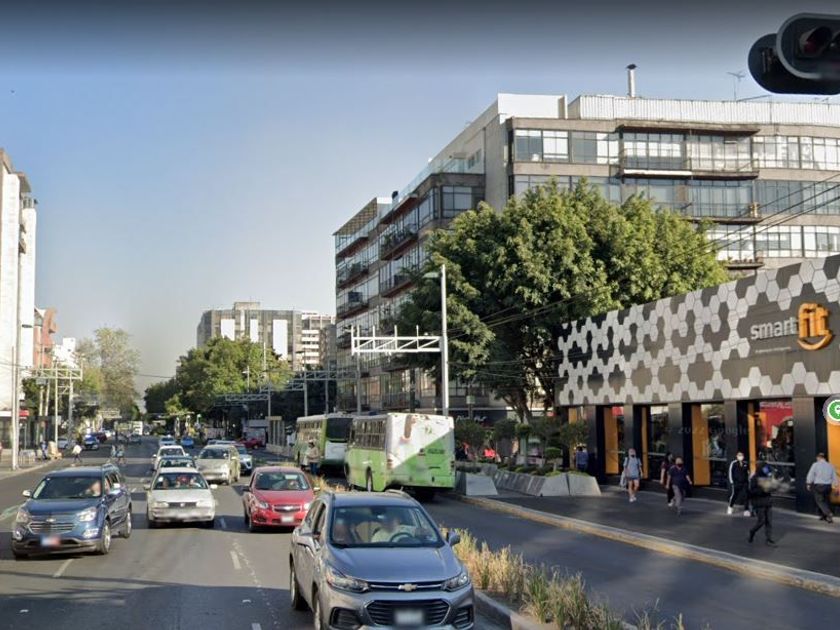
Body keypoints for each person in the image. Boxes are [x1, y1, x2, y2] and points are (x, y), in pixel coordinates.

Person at [748, 464, 777, 545]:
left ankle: (769, 539)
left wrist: (772, 486)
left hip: (768, 502)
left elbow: (772, 488)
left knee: (769, 521)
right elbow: (752, 491)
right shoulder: (754, 478)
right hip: (759, 503)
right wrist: (762, 489)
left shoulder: (767, 478)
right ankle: (752, 531)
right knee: (761, 521)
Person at [806, 452, 838, 523]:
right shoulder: (830, 465)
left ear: (819, 458)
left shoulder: (815, 465)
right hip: (828, 486)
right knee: (826, 500)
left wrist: (808, 483)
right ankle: (824, 516)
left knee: (819, 501)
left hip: (819, 486)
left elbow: (811, 474)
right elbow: (834, 476)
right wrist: (836, 486)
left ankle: (828, 513)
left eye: (817, 458)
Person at [727, 451, 751, 516]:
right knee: (734, 495)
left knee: (746, 495)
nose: (741, 457)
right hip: (736, 482)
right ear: (737, 456)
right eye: (739, 455)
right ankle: (730, 507)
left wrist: (748, 480)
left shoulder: (745, 463)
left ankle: (746, 510)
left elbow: (748, 472)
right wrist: (732, 481)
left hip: (744, 482)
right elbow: (730, 472)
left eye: (742, 455)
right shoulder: (734, 463)